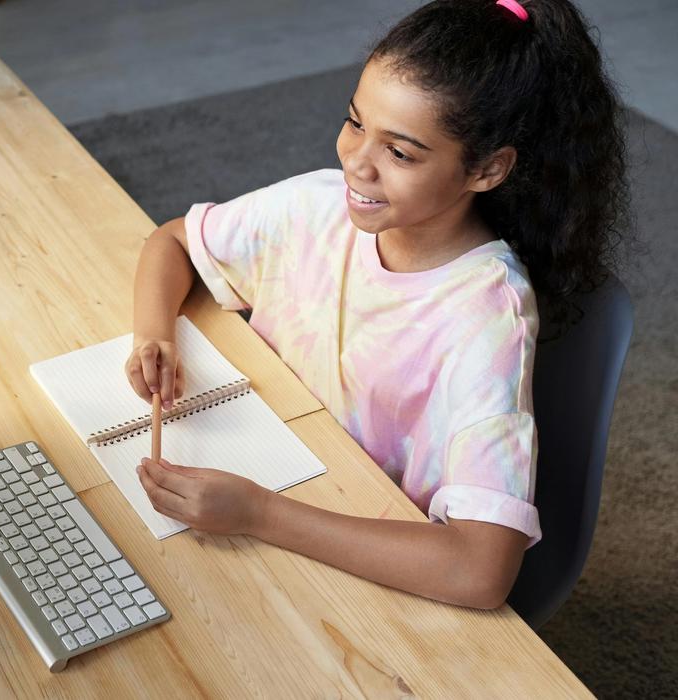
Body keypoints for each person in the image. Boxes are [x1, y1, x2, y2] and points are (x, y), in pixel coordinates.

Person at [125, 0, 631, 609]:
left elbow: (479, 570)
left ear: (489, 170)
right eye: (355, 122)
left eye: (401, 153)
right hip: (281, 478)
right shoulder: (316, 207)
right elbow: (175, 240)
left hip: (363, 560)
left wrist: (259, 513)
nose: (356, 163)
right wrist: (153, 334)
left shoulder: (485, 320)